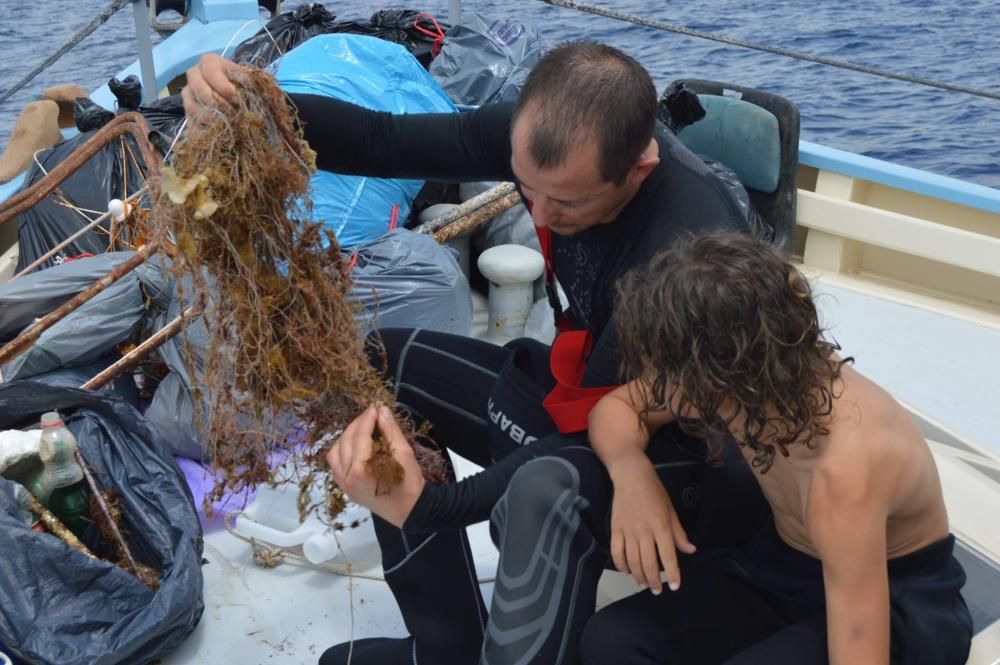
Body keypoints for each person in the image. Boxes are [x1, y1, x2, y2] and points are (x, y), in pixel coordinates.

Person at [185, 42, 769, 665]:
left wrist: (435, 505)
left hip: (685, 467)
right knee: (385, 364)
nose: (540, 213)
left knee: (547, 488)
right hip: (588, 395)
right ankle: (447, 645)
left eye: (566, 203)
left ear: (639, 167)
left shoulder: (685, 250)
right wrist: (252, 107)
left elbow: (580, 441)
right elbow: (385, 140)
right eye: (525, 188)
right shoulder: (546, 138)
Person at [568, 231, 970, 664]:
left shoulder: (844, 470)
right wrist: (631, 473)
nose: (662, 385)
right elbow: (618, 409)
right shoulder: (753, 372)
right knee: (611, 641)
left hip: (898, 600)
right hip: (785, 566)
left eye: (670, 372)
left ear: (716, 378)